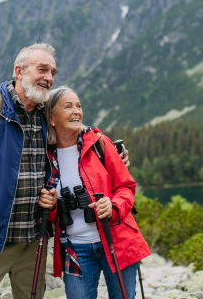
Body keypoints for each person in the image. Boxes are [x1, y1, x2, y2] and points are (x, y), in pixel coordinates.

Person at [0, 43, 129, 299]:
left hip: (34, 242)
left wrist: (112, 152)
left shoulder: (45, 115)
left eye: (53, 73)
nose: (49, 78)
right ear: (19, 71)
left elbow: (77, 130)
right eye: (42, 70)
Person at [44, 86, 150, 299]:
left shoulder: (98, 143)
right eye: (68, 106)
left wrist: (113, 206)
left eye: (79, 106)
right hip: (75, 249)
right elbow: (53, 217)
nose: (77, 111)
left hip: (115, 240)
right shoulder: (46, 158)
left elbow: (126, 187)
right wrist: (50, 204)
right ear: (52, 118)